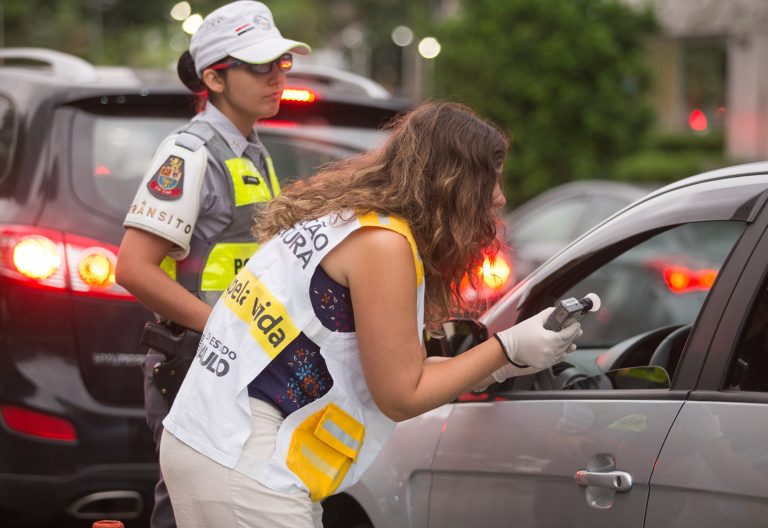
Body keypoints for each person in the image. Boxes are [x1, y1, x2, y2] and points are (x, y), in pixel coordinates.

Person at [159, 101, 582, 528]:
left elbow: (398, 368)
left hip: (218, 440)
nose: (499, 196)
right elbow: (400, 394)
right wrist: (505, 350)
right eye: (489, 179)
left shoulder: (357, 221)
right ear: (454, 182)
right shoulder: (385, 245)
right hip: (245, 462)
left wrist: (499, 367)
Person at [115, 2, 310, 527]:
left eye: (282, 63)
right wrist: (226, 330)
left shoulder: (253, 150)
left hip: (233, 363)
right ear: (214, 78)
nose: (277, 76)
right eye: (260, 65)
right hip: (194, 361)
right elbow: (133, 268)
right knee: (188, 509)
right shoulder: (189, 152)